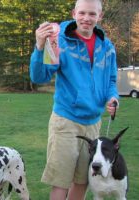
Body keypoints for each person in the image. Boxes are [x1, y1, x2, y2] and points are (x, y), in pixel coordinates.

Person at [29, 0, 119, 199]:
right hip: (66, 122)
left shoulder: (107, 46)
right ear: (74, 13)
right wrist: (39, 46)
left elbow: (111, 79)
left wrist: (112, 97)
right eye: (82, 13)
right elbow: (39, 77)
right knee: (61, 181)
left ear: (100, 16)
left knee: (83, 180)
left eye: (92, 14)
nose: (87, 18)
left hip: (94, 125)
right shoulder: (59, 39)